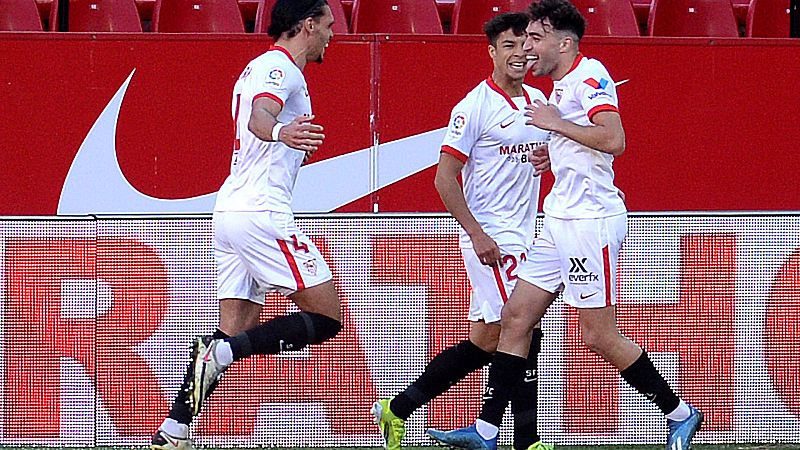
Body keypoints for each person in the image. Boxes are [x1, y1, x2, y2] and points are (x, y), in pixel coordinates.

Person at [426, 1, 704, 450]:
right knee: (516, 317)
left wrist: (557, 126)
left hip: (588, 222)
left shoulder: (590, 76)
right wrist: (552, 152)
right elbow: (580, 145)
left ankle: (680, 413)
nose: (528, 49)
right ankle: (486, 431)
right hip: (558, 218)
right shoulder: (556, 89)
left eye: (536, 39)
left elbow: (613, 138)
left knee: (597, 334)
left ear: (564, 43)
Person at [150, 1, 340, 449]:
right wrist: (281, 133)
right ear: (308, 25)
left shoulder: (258, 67)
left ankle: (175, 429)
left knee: (234, 325)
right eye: (328, 26)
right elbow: (260, 117)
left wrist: (285, 138)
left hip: (231, 210)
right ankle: (225, 353)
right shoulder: (281, 68)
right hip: (261, 212)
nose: (333, 35)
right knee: (326, 315)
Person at [371, 13, 553, 450]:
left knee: (487, 340)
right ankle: (526, 440)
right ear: (492, 52)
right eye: (508, 46)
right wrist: (476, 234)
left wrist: (550, 157)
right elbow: (444, 177)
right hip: (492, 238)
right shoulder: (473, 107)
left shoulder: (537, 101)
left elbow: (542, 155)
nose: (519, 54)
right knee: (523, 327)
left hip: (523, 233)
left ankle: (397, 408)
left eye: (524, 45)